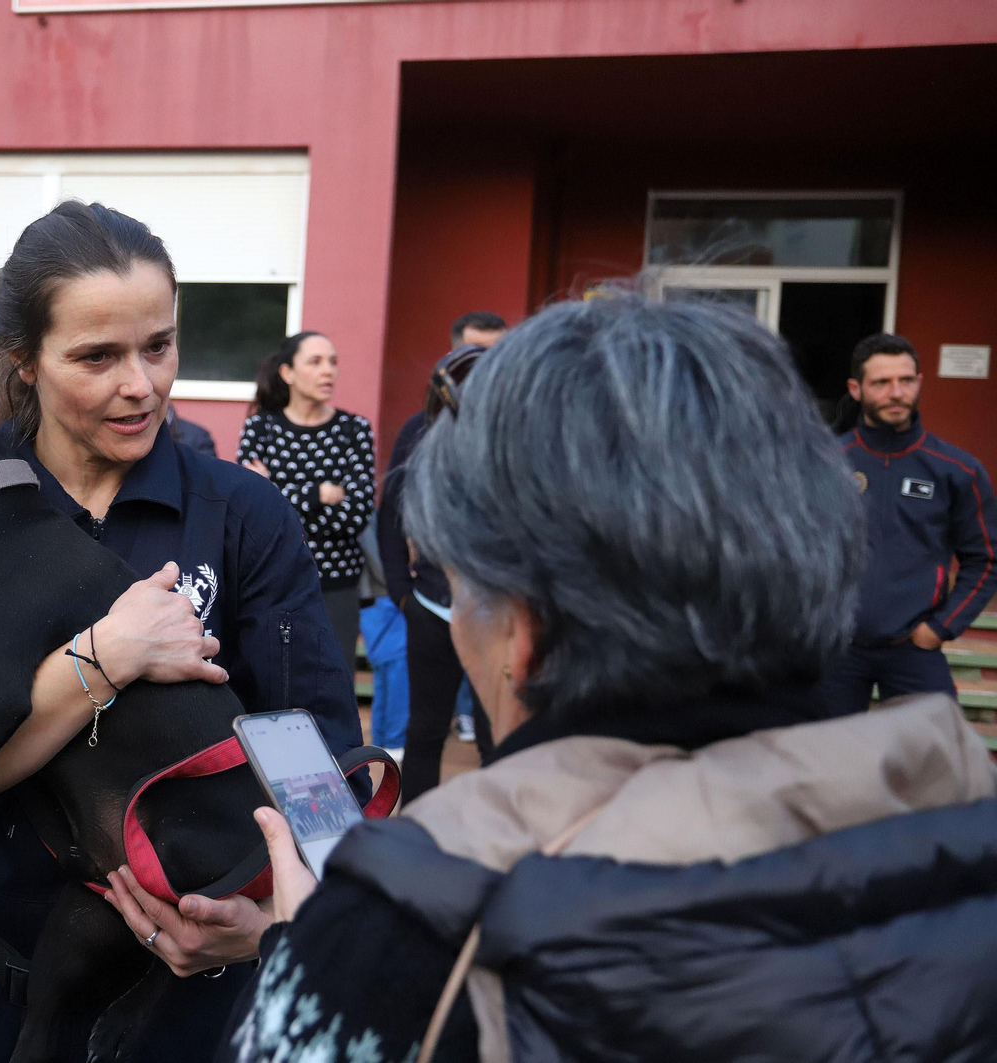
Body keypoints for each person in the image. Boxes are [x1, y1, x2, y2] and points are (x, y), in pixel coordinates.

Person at [218, 293, 997, 1063]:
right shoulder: (961, 822)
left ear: (522, 630)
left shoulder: (411, 915)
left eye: (461, 588)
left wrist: (302, 951)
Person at [0, 201, 362, 1063]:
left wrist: (267, 920)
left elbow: (317, 757)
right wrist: (103, 663)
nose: (143, 384)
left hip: (172, 1014)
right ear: (24, 362)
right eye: (97, 357)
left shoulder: (241, 518)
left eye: (159, 345)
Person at [818, 333, 997, 716]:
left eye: (905, 380)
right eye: (881, 382)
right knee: (823, 764)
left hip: (915, 651)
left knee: (932, 764)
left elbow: (985, 559)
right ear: (856, 388)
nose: (896, 392)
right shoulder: (826, 463)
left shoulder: (958, 470)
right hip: (836, 651)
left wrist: (941, 628)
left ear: (919, 382)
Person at [379, 322, 505, 800]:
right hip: (430, 606)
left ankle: (498, 838)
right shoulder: (420, 430)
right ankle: (415, 835)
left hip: (495, 608)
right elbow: (390, 512)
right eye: (471, 356)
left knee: (497, 733)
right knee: (426, 730)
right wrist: (401, 592)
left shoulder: (511, 433)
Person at [237, 332, 376, 675]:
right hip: (271, 581)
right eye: (315, 362)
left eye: (333, 362)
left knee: (333, 684)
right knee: (272, 683)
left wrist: (277, 490)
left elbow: (355, 517)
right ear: (288, 373)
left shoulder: (354, 430)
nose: (328, 371)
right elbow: (251, 510)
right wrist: (319, 495)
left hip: (336, 586)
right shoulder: (261, 428)